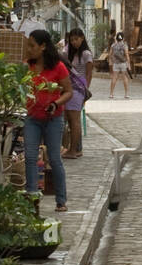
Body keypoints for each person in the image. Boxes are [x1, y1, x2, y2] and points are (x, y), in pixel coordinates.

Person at [23, 29, 72, 212]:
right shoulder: (27, 66)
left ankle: (61, 200)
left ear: (43, 46)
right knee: (29, 157)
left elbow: (68, 91)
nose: (29, 49)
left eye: (32, 45)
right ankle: (32, 198)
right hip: (32, 118)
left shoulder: (58, 67)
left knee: (54, 158)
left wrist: (55, 103)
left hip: (53, 118)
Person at [62, 28, 93, 159]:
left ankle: (73, 150)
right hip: (70, 88)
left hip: (78, 89)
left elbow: (89, 73)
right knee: (70, 119)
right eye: (72, 40)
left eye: (76, 39)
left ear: (82, 38)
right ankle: (75, 148)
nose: (74, 42)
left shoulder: (86, 54)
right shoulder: (70, 53)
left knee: (74, 121)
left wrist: (85, 90)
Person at [109, 32, 132, 99]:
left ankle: (111, 94)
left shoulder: (113, 45)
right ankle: (126, 94)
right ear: (123, 38)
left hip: (115, 64)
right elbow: (127, 55)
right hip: (123, 64)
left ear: (116, 38)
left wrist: (111, 62)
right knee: (124, 78)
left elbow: (110, 54)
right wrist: (129, 64)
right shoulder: (125, 45)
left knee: (114, 78)